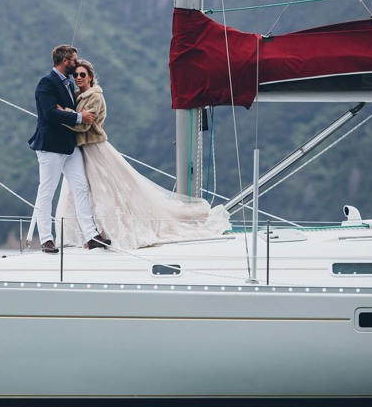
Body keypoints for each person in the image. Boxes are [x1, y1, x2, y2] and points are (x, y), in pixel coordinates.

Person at [56, 59, 229, 250]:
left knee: (108, 189)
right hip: (82, 148)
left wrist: (64, 113)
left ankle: (107, 230)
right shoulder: (77, 96)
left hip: (94, 148)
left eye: (83, 75)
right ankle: (91, 233)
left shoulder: (95, 97)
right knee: (85, 190)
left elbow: (85, 124)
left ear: (90, 77)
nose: (79, 78)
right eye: (76, 75)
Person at [28, 45, 112, 253]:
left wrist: (70, 112)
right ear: (65, 61)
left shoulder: (68, 85)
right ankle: (47, 239)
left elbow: (64, 109)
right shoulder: (46, 83)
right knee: (47, 191)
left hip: (69, 146)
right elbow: (48, 113)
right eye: (74, 60)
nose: (76, 63)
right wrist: (78, 117)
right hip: (50, 146)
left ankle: (91, 235)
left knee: (81, 187)